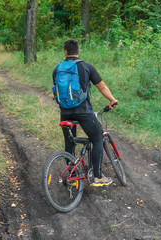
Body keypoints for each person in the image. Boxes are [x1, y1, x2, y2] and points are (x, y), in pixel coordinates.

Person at [52, 39, 118, 186]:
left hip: (65, 113)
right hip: (83, 112)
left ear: (65, 52)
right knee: (97, 139)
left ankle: (73, 177)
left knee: (70, 143)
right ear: (78, 51)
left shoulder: (57, 69)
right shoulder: (86, 66)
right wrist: (112, 100)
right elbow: (101, 86)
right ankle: (98, 176)